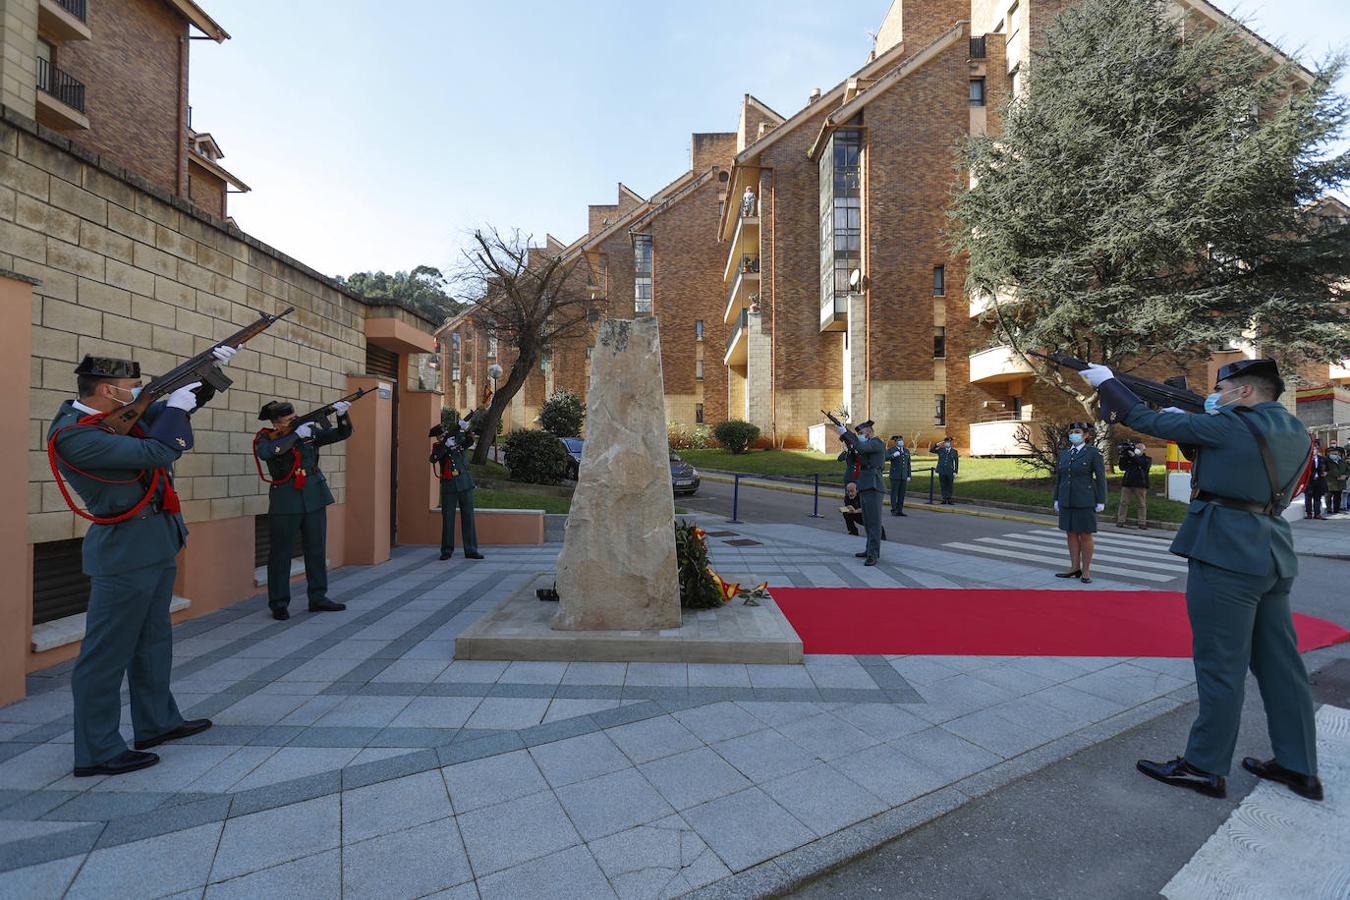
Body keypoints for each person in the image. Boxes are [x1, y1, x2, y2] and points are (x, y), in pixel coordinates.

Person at [1081, 358, 1322, 802]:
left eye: (1224, 388)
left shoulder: (1231, 425)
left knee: (1220, 667)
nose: (1219, 395)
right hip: (1271, 551)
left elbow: (1139, 418)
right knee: (1281, 667)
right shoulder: (1294, 432)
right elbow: (1237, 465)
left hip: (1225, 551)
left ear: (1245, 392)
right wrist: (1191, 424)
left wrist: (1108, 383)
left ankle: (1204, 766)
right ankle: (1298, 764)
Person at [48, 351, 233, 777]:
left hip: (154, 541)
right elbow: (159, 450)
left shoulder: (118, 418)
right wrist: (178, 407)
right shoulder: (74, 435)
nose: (136, 393)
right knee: (105, 654)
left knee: (153, 642)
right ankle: (97, 750)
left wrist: (206, 375)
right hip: (124, 552)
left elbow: (164, 412)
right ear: (107, 390)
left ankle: (157, 723)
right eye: (131, 388)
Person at [253, 399, 353, 620]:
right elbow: (269, 452)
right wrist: (295, 435)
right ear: (277, 424)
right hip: (286, 499)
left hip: (314, 495)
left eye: (294, 416)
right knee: (281, 553)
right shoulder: (266, 437)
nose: (295, 420)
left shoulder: (308, 431)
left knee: (316, 550)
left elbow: (341, 434)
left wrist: (341, 415)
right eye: (289, 419)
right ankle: (278, 602)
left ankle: (318, 598)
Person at [1053, 423, 1107, 583]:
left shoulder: (1093, 454)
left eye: (1077, 432)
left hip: (1085, 499)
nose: (1073, 435)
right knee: (1070, 533)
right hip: (1066, 499)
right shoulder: (1064, 454)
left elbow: (1101, 478)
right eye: (1071, 432)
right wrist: (1056, 498)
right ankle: (1074, 567)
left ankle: (1086, 570)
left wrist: (1101, 500)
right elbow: (1060, 479)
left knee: (1085, 535)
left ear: (1086, 435)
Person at [431, 417, 484, 561]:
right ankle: (447, 550)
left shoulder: (458, 440)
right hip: (449, 485)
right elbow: (434, 458)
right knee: (448, 518)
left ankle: (471, 550)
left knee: (468, 517)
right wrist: (446, 445)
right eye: (440, 436)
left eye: (444, 434)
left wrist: (466, 428)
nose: (442, 437)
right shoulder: (439, 447)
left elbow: (470, 440)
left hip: (464, 482)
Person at [836, 419, 886, 565]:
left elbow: (861, 448)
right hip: (865, 485)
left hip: (874, 486)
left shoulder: (876, 443)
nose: (859, 436)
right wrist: (845, 435)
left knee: (874, 523)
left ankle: (873, 554)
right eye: (857, 434)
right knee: (868, 521)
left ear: (870, 432)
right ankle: (869, 549)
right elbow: (855, 450)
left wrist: (846, 433)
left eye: (861, 433)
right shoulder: (866, 444)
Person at [1116, 441, 1152, 529]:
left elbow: (1144, 465)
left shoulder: (1147, 459)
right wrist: (1123, 456)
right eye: (1137, 448)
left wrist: (1134, 456)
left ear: (1144, 450)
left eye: (1140, 448)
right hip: (1128, 483)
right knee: (1123, 503)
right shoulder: (1129, 458)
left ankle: (1142, 522)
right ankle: (1120, 520)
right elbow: (1122, 467)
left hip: (1140, 484)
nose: (1138, 450)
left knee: (1141, 504)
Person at [930, 437, 960, 504]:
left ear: (950, 443)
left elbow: (956, 462)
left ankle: (949, 499)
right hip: (942, 470)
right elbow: (931, 450)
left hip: (950, 470)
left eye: (948, 442)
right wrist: (937, 444)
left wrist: (955, 471)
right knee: (943, 485)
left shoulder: (954, 451)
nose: (947, 444)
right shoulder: (941, 450)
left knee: (949, 485)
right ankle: (944, 498)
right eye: (946, 442)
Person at [888, 435, 912, 516]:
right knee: (894, 493)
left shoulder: (906, 450)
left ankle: (900, 510)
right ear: (896, 442)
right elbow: (885, 457)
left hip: (903, 475)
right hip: (895, 475)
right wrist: (893, 455)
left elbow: (908, 464)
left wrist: (909, 475)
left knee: (902, 494)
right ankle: (894, 509)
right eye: (899, 440)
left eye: (902, 440)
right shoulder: (892, 450)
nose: (901, 442)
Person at [1304, 442, 1327, 520]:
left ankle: (1317, 514)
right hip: (1309, 481)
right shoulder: (1306, 459)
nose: (1314, 451)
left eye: (1315, 449)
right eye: (1312, 449)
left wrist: (1326, 473)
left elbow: (1327, 468)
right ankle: (1309, 514)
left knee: (1318, 498)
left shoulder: (1322, 459)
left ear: (1317, 450)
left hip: (1319, 481)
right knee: (1308, 498)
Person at [1327, 445, 1347, 515]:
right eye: (1333, 453)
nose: (1335, 454)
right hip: (1330, 482)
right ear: (1329, 453)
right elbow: (1325, 470)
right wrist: (1336, 476)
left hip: (1340, 483)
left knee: (1338, 497)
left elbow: (1347, 469)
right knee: (1328, 497)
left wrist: (1345, 475)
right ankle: (1329, 509)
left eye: (1336, 453)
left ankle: (1336, 509)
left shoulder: (1342, 461)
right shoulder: (1326, 461)